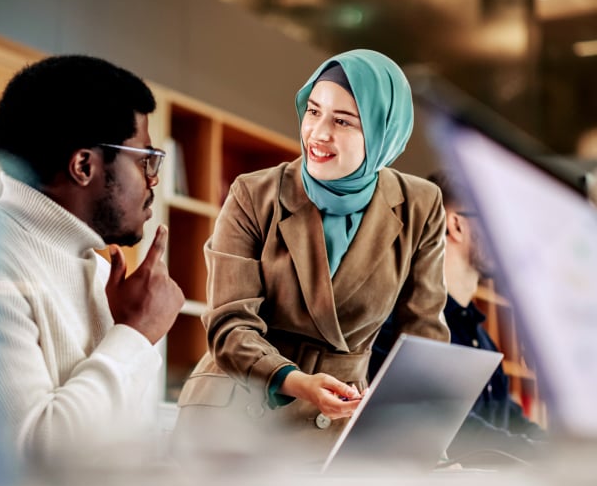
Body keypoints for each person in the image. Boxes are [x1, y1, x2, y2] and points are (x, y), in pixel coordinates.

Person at [175, 49, 449, 464]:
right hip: (239, 412)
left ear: (382, 131)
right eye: (313, 111)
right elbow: (230, 325)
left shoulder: (421, 205)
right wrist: (296, 381)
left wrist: (428, 447)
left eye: (342, 121)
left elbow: (423, 341)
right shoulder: (254, 194)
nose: (318, 134)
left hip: (337, 426)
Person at [0, 54, 185, 463]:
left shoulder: (104, 274)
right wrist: (136, 335)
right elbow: (30, 460)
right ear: (84, 165)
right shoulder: (3, 262)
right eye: (145, 161)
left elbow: (128, 445)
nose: (154, 181)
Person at [370, 169, 547, 464]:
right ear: (457, 225)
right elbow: (451, 432)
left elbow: (512, 420)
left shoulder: (482, 339)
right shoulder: (399, 325)